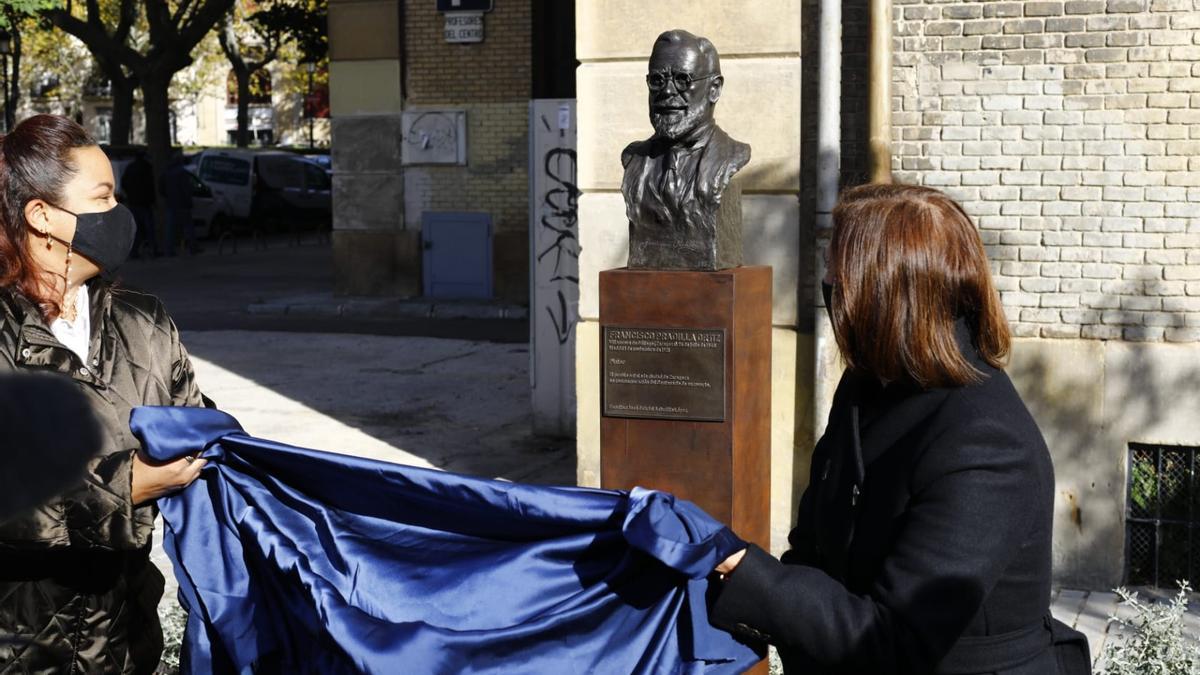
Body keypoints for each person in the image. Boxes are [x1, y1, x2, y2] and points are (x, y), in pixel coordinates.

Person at [707, 184, 1088, 674]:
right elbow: (816, 543)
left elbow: (896, 638)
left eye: (836, 274)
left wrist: (753, 579)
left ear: (883, 293)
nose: (826, 284)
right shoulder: (870, 383)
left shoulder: (987, 443)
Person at [0, 114, 210, 674]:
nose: (119, 216)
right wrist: (125, 489)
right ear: (42, 216)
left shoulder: (145, 321)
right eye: (103, 198)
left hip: (126, 643)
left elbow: (198, 426)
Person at [621, 29, 751, 270]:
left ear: (714, 89)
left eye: (683, 79)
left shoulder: (732, 155)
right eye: (657, 80)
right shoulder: (634, 159)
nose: (668, 91)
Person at [120, 151, 159, 258]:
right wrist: (153, 200)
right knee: (149, 227)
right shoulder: (147, 167)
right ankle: (153, 249)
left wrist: (129, 194)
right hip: (145, 202)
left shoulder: (130, 167)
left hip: (133, 202)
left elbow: (124, 182)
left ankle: (134, 252)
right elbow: (151, 185)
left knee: (136, 229)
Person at [161, 149, 198, 255]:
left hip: (171, 203)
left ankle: (169, 250)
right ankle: (192, 247)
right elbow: (187, 189)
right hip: (182, 203)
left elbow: (161, 187)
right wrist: (188, 201)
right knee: (188, 226)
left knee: (170, 228)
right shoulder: (182, 172)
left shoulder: (167, 172)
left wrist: (167, 196)